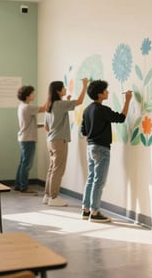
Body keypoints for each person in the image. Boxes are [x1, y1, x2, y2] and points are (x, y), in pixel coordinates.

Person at [81, 80, 132, 222]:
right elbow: (121, 118)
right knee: (99, 181)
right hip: (102, 148)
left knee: (91, 179)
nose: (107, 92)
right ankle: (95, 213)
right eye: (105, 90)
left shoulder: (87, 110)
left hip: (90, 147)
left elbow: (83, 131)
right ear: (100, 94)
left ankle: (86, 210)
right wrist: (128, 100)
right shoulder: (102, 110)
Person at [43, 78, 89, 206]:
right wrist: (84, 86)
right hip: (59, 140)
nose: (65, 89)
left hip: (51, 140)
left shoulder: (49, 105)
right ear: (58, 91)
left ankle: (47, 195)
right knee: (58, 170)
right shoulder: (59, 104)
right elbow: (79, 101)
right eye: (63, 88)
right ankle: (54, 197)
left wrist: (67, 101)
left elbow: (47, 127)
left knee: (52, 169)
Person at [15, 85, 46, 193]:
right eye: (33, 93)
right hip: (28, 139)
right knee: (27, 164)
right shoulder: (28, 107)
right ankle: (24, 187)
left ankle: (18, 185)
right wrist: (51, 97)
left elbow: (30, 124)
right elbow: (44, 108)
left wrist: (44, 124)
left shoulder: (22, 106)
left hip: (23, 138)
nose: (34, 94)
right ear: (28, 95)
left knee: (23, 163)